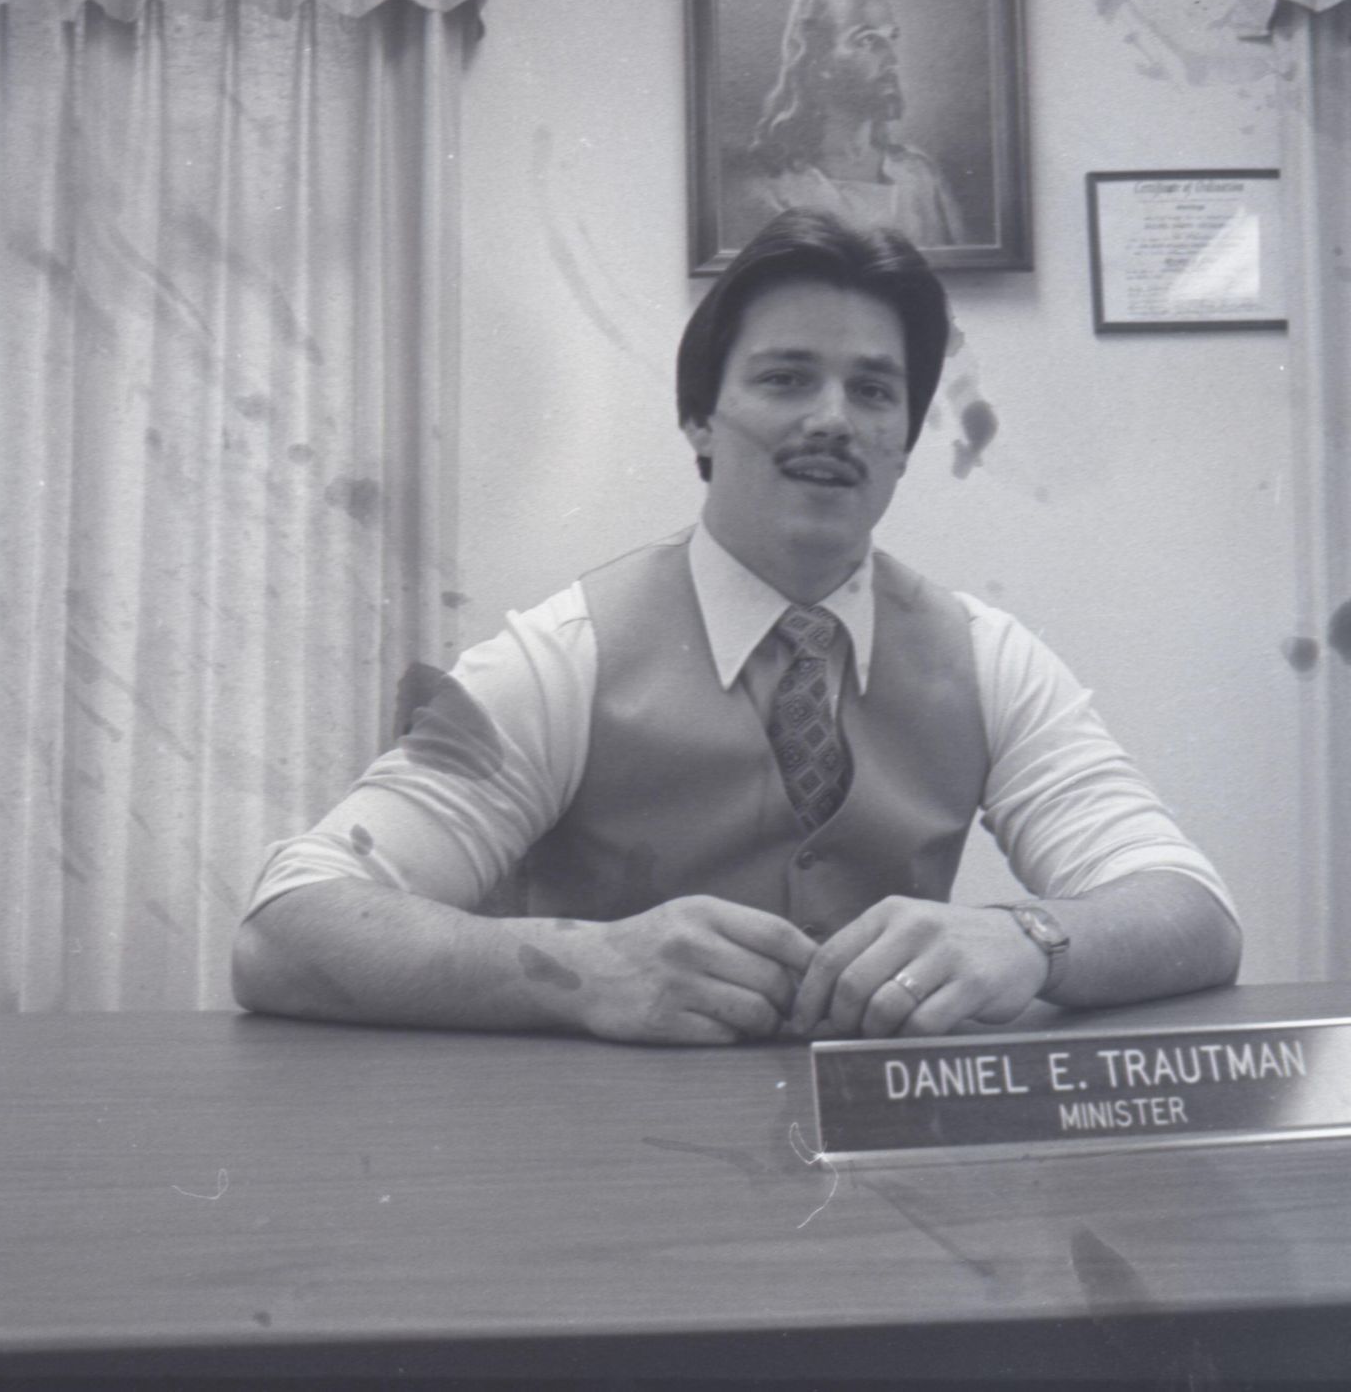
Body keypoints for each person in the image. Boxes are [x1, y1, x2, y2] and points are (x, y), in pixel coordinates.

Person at [232, 210, 1241, 1044]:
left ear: (901, 442)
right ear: (699, 422)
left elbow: (1190, 910)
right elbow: (284, 928)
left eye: (872, 391)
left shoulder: (989, 661)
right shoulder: (560, 656)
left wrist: (1028, 937)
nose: (833, 419)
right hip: (595, 1166)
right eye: (785, 378)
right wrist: (585, 967)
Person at [721, 0, 967, 250]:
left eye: (892, 38)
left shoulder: (920, 176)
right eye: (867, 40)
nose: (893, 59)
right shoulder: (771, 191)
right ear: (817, 59)